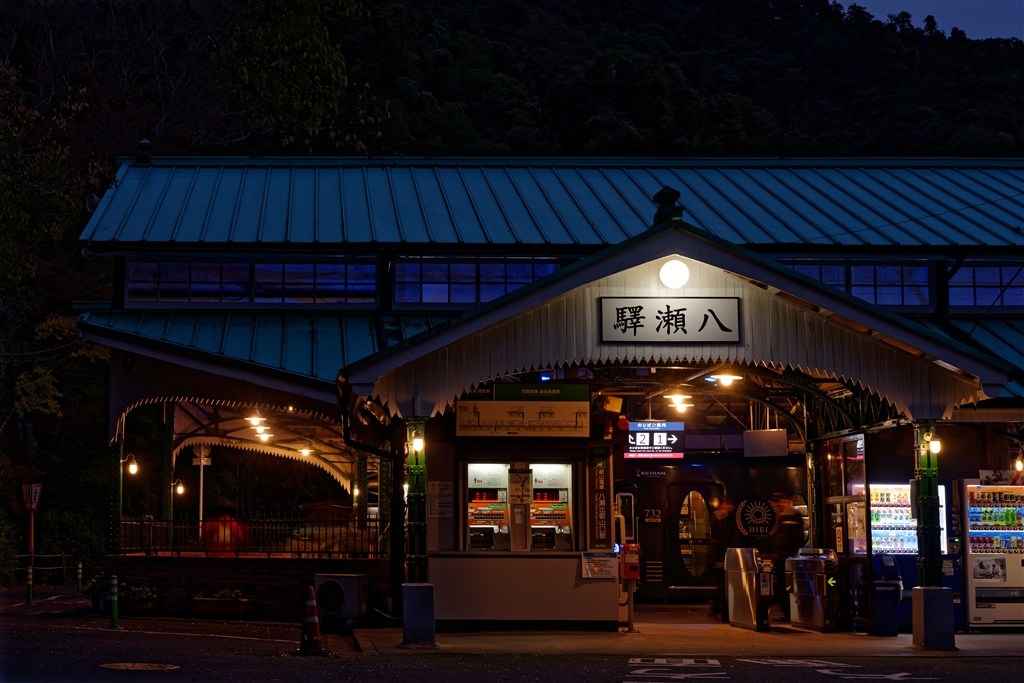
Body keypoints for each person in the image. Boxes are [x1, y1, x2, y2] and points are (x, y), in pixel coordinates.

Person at [768, 492, 805, 622]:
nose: (779, 504)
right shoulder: (778, 516)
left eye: (781, 501)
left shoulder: (794, 516)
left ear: (788, 501)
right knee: (781, 586)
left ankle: (789, 613)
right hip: (778, 557)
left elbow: (798, 538)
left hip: (788, 558)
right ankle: (785, 612)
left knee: (788, 586)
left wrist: (795, 555)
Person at [708, 497, 736, 621]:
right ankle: (720, 611)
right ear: (723, 504)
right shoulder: (717, 519)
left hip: (722, 557)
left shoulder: (724, 518)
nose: (732, 507)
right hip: (720, 558)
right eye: (730, 504)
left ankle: (716, 610)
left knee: (722, 586)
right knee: (723, 586)